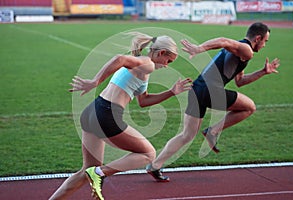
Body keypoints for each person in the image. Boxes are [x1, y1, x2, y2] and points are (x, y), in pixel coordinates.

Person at [49, 32, 192, 200]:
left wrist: (172, 92)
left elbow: (143, 101)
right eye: (169, 61)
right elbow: (119, 59)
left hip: (92, 111)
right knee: (149, 154)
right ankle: (99, 173)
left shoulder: (142, 67)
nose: (167, 65)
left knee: (85, 172)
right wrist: (95, 81)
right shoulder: (148, 64)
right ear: (161, 53)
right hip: (107, 115)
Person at [146, 22, 280, 182]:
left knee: (186, 135)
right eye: (265, 41)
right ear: (258, 38)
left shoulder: (238, 51)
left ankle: (155, 166)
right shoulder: (246, 50)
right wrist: (199, 48)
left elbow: (240, 81)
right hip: (210, 91)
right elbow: (223, 40)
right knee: (249, 107)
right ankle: (213, 131)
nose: (264, 45)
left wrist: (263, 72)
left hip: (197, 90)